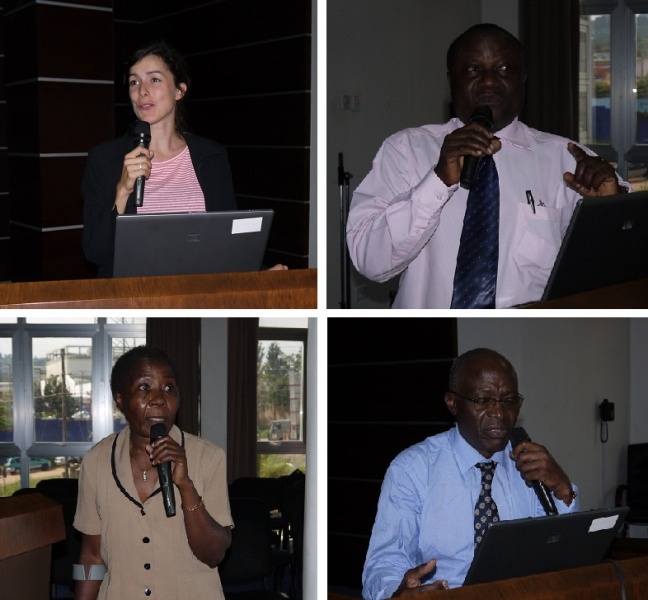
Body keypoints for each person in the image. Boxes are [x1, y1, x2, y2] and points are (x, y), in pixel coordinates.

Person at [346, 24, 630, 308]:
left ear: (524, 79)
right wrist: (437, 181)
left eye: (505, 69)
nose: (489, 82)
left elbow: (617, 269)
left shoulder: (569, 159)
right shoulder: (405, 150)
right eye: (473, 69)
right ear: (450, 81)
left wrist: (608, 213)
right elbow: (369, 261)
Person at [362, 347, 579, 598]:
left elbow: (558, 554)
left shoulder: (530, 464)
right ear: (452, 403)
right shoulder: (413, 470)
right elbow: (384, 565)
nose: (499, 413)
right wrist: (396, 594)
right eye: (483, 401)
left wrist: (563, 490)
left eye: (509, 401)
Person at [82, 42, 288, 277]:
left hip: (199, 295)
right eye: (134, 82)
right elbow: (95, 252)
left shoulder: (211, 156)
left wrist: (259, 274)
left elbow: (225, 243)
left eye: (155, 79)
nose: (142, 91)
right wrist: (122, 191)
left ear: (179, 90)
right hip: (134, 298)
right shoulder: (105, 159)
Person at [73, 345, 232, 600]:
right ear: (120, 399)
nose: (159, 399)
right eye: (145, 388)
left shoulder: (208, 458)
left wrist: (186, 486)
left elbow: (214, 554)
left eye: (169, 388)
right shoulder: (96, 462)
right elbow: (90, 556)